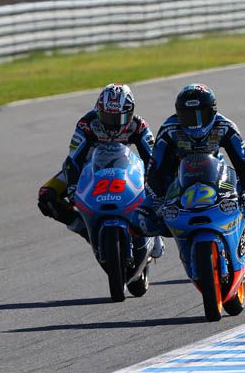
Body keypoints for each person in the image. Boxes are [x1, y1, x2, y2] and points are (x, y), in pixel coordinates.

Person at [37, 84, 162, 257]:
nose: (112, 124)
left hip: (124, 166)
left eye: (118, 118)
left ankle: (150, 230)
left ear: (130, 113)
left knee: (157, 193)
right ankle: (86, 229)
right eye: (107, 116)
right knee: (46, 195)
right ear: (98, 110)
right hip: (87, 169)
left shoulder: (139, 126)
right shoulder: (87, 124)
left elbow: (153, 162)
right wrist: (73, 187)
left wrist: (152, 191)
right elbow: (74, 160)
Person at [144, 83, 245, 267]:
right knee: (142, 215)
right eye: (188, 116)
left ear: (213, 111)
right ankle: (158, 244)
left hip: (216, 175)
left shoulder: (225, 126)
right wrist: (156, 199)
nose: (195, 122)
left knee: (244, 196)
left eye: (201, 114)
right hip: (179, 179)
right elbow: (155, 169)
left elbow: (244, 163)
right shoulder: (169, 130)